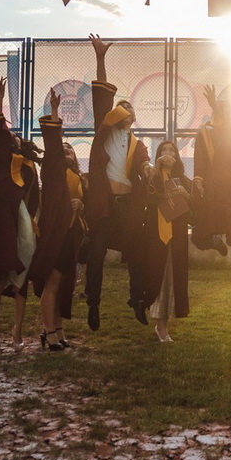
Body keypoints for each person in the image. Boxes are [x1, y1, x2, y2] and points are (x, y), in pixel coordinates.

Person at [84, 33, 152, 330]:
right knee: (96, 254)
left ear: (133, 117)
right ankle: (93, 304)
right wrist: (100, 57)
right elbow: (102, 96)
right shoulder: (106, 131)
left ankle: (136, 299)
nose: (125, 109)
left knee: (137, 252)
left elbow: (144, 161)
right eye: (121, 106)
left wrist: (147, 167)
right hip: (106, 205)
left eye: (129, 107)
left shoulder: (137, 143)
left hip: (127, 206)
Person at [0, 76, 41, 352]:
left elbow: (34, 198)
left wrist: (33, 222)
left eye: (14, 136)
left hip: (22, 221)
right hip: (0, 219)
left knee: (21, 275)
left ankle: (17, 330)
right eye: (7, 134)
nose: (10, 136)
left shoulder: (28, 166)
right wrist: (0, 98)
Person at [29, 89, 87, 351]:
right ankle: (49, 332)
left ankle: (59, 330)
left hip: (71, 234)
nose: (65, 151)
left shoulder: (79, 179)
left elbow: (84, 205)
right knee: (52, 283)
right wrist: (54, 111)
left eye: (70, 150)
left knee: (64, 285)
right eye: (61, 149)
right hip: (54, 232)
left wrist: (81, 204)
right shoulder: (53, 171)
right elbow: (53, 144)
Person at [142, 141, 194, 342]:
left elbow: (194, 212)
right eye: (163, 150)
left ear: (177, 156)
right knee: (157, 274)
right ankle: (160, 325)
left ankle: (164, 324)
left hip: (177, 235)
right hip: (156, 234)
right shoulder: (152, 176)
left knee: (172, 277)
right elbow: (146, 197)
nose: (168, 153)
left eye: (172, 150)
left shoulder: (183, 180)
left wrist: (186, 195)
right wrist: (155, 168)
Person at [191, 85, 231, 256]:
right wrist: (198, 179)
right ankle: (213, 241)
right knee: (206, 223)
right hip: (212, 182)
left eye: (226, 107)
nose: (221, 109)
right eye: (218, 107)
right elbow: (200, 158)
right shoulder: (204, 131)